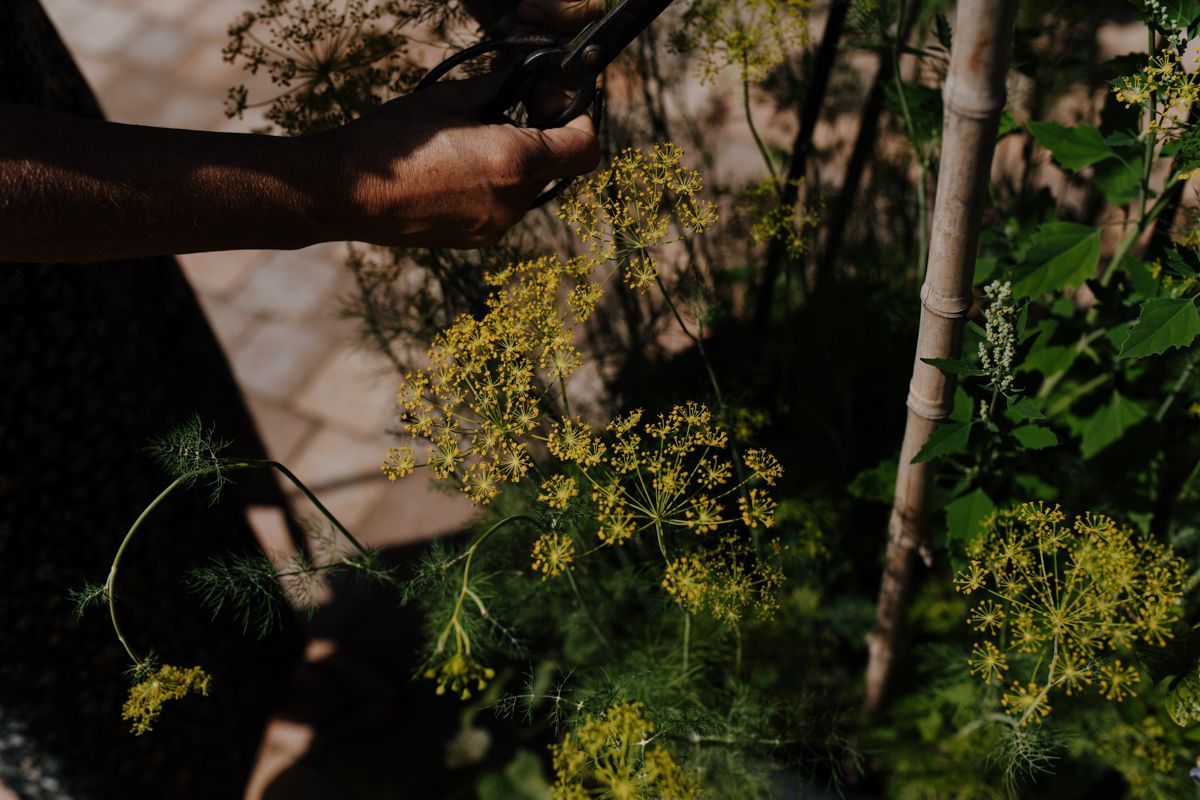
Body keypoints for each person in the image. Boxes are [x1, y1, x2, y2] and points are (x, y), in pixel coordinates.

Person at [0, 0, 602, 797]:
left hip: (66, 237)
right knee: (70, 672)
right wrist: (343, 184)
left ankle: (266, 681)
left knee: (181, 501)